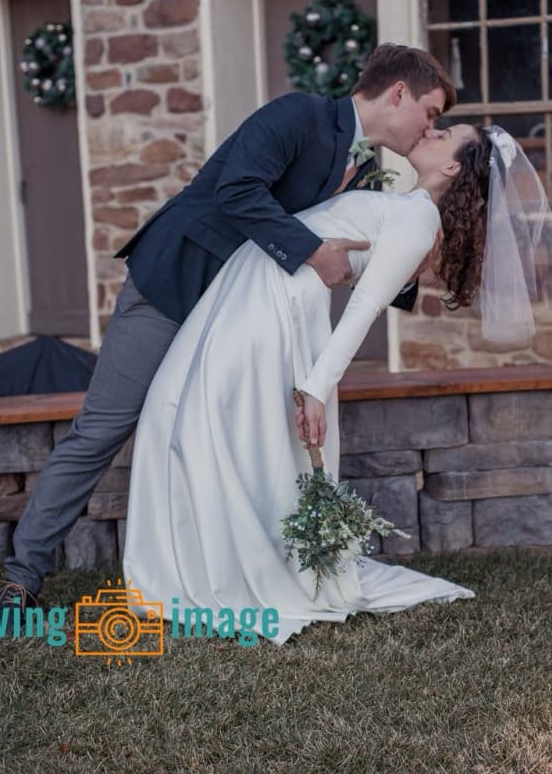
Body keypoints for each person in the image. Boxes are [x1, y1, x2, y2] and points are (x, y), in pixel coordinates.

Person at [0, 43, 456, 631]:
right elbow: (239, 190)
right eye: (431, 113)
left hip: (238, 321)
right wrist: (311, 253)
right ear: (398, 93)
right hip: (177, 287)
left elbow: (355, 247)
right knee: (104, 428)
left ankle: (217, 570)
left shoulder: (360, 166)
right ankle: (21, 578)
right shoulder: (299, 115)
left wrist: (429, 275)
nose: (430, 127)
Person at [122, 123, 550, 645]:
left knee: (197, 422)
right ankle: (194, 565)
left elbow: (365, 310)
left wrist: (315, 388)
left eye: (445, 132)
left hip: (274, 307)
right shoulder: (404, 202)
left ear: (454, 167)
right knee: (179, 413)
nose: (431, 129)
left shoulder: (419, 219)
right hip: (250, 289)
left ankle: (222, 571)